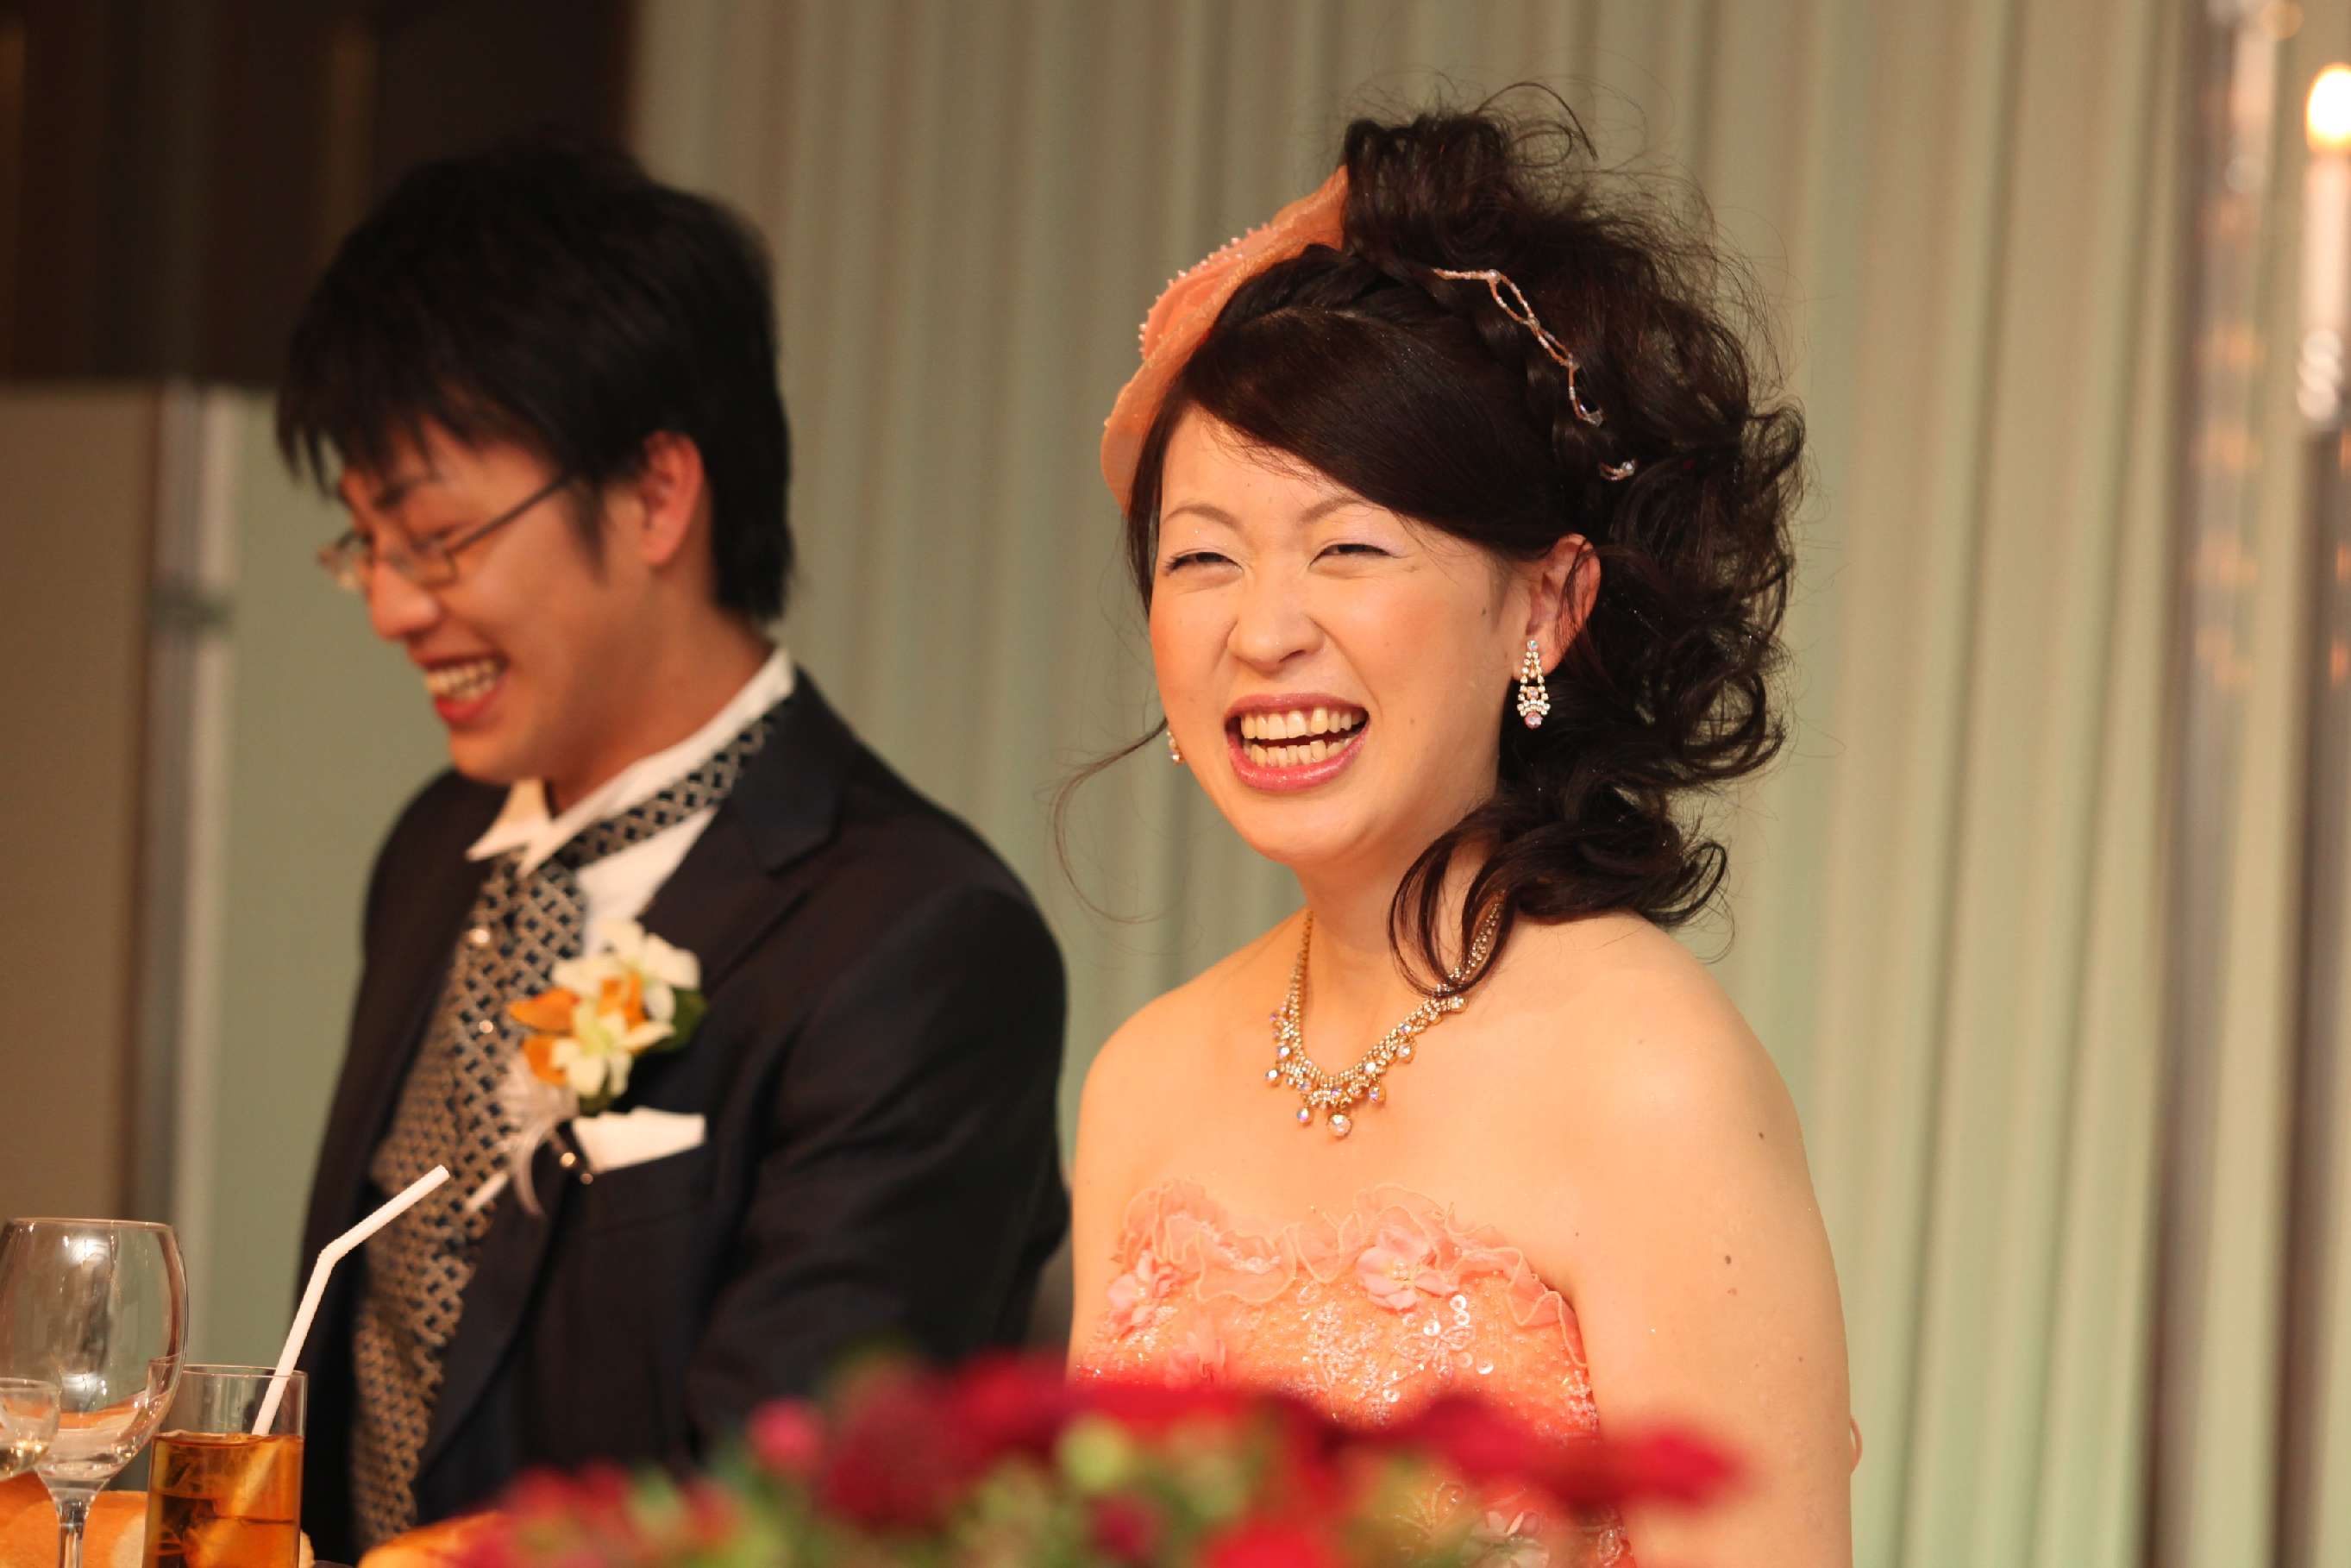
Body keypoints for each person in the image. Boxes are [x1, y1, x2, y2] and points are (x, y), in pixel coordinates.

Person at [1069, 103, 1854, 1565]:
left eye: (1348, 548)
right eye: (1202, 558)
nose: (1263, 631)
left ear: (1545, 604)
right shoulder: (1141, 1080)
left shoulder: (1651, 1078)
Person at [278, 138, 1069, 1560]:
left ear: (654, 493)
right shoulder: (435, 850)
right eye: (365, 546)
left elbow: (794, 1518)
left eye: (439, 540)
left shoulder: (913, 940)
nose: (392, 606)